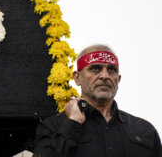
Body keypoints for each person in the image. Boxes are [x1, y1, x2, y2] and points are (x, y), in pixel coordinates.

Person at [33, 44, 162, 157]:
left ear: (118, 79)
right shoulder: (53, 127)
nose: (105, 76)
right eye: (95, 68)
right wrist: (72, 124)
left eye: (111, 70)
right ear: (77, 78)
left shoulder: (144, 130)